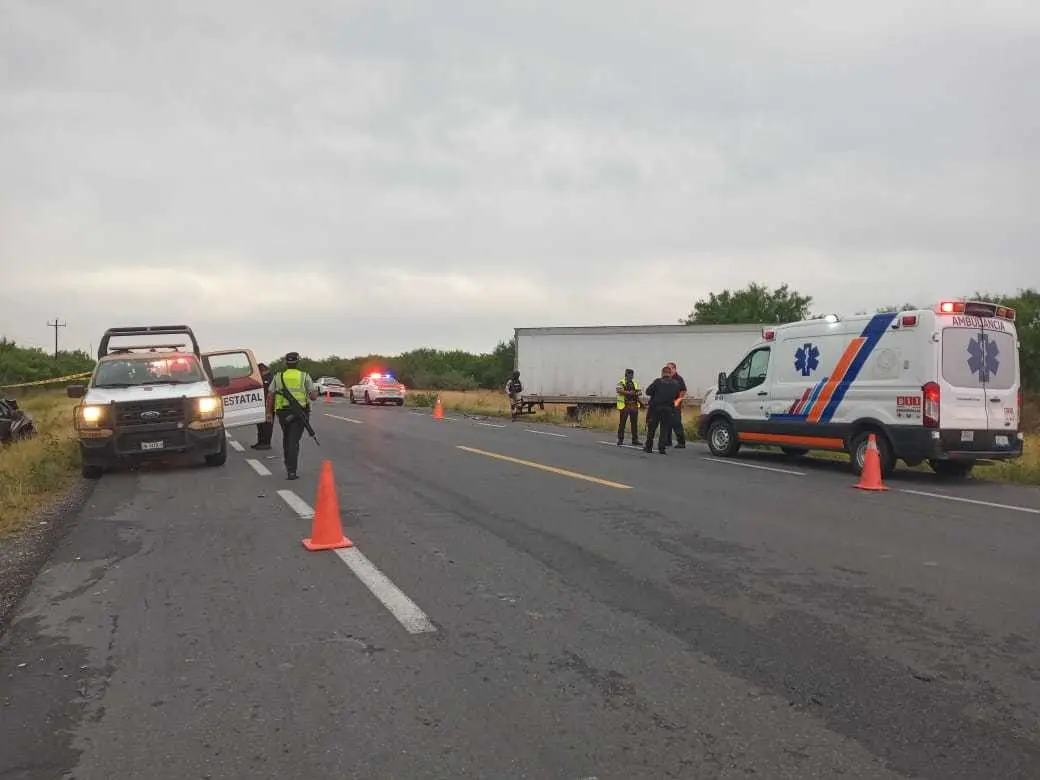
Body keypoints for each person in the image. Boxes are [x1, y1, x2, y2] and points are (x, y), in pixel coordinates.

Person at [267, 352, 319, 480]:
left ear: (286, 362)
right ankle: (292, 471)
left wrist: (268, 413)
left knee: (287, 437)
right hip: (300, 413)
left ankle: (287, 464)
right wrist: (314, 392)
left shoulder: (278, 377)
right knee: (294, 441)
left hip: (283, 413)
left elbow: (270, 395)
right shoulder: (304, 376)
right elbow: (313, 397)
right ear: (298, 362)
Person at [642, 365, 682, 454]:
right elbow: (677, 396)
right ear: (670, 374)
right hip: (668, 409)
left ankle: (648, 447)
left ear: (662, 373)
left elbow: (648, 391)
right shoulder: (675, 384)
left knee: (652, 429)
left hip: (655, 409)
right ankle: (662, 448)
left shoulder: (658, 382)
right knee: (664, 429)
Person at [663, 361, 688, 449]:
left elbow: (683, 391)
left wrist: (677, 401)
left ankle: (681, 442)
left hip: (675, 403)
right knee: (667, 422)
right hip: (667, 403)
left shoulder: (678, 378)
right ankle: (667, 440)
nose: (668, 370)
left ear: (674, 369)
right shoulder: (666, 378)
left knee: (676, 422)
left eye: (669, 368)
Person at [615, 368, 642, 447]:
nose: (630, 376)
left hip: (633, 405)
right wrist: (629, 393)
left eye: (631, 374)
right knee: (622, 423)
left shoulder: (634, 382)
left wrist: (637, 393)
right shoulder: (621, 382)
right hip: (625, 405)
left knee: (634, 424)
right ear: (626, 374)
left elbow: (640, 392)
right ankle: (620, 439)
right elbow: (619, 390)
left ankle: (635, 440)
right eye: (628, 374)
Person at [252, 362, 274, 450]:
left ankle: (266, 443)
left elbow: (270, 393)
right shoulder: (261, 378)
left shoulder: (270, 378)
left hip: (269, 404)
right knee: (260, 424)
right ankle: (260, 442)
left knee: (267, 425)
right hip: (261, 404)